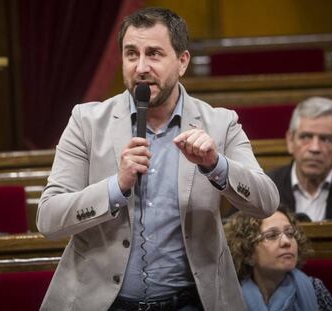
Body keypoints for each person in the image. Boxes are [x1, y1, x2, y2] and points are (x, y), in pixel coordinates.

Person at [36, 7, 279, 311]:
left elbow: (266, 201)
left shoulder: (219, 123)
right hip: (102, 303)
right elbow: (48, 219)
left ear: (182, 62)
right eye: (131, 54)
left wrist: (216, 165)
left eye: (153, 54)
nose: (140, 67)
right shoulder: (86, 122)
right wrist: (116, 187)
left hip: (192, 303)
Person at [224, 208, 332, 311]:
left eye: (290, 233)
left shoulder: (315, 289)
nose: (286, 242)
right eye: (272, 235)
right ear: (247, 252)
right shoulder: (230, 298)